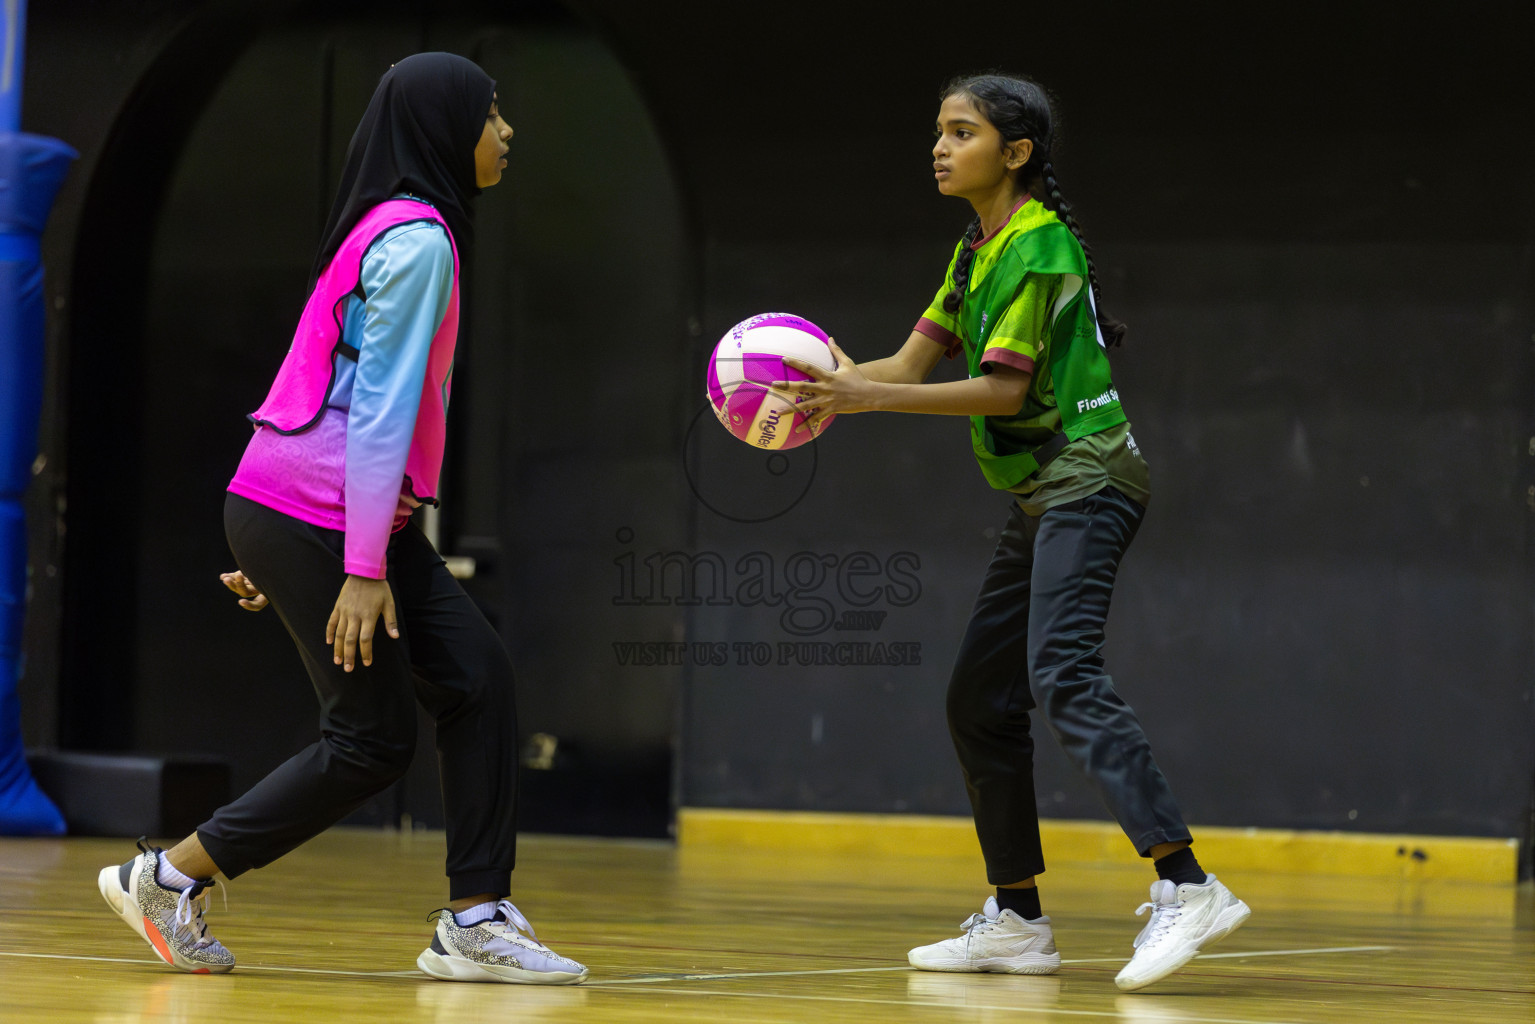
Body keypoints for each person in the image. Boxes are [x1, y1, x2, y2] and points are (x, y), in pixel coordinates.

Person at [96, 52, 587, 986]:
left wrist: (306, 550)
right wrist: (355, 567)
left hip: (315, 515)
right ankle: (166, 877)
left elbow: (332, 394)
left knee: (477, 679)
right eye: (492, 112)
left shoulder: (385, 227)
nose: (507, 130)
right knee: (371, 741)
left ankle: (476, 918)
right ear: (447, 129)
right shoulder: (419, 241)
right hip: (326, 517)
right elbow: (379, 416)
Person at [772, 73, 1249, 992]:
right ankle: (1017, 919)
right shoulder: (974, 249)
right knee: (975, 701)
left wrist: (870, 396)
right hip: (1040, 493)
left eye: (962, 132)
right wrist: (822, 383)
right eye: (938, 132)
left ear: (1016, 152)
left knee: (1061, 672)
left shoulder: (1039, 246)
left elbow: (1002, 391)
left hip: (1089, 476)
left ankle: (1187, 886)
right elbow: (907, 363)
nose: (941, 147)